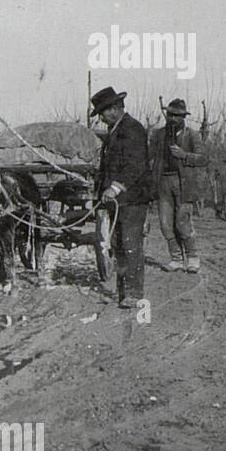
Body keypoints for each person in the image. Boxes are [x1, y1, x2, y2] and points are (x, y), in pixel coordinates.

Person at [90, 86, 151, 309]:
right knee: (118, 243)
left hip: (132, 198)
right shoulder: (116, 131)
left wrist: (115, 188)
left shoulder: (133, 130)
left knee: (130, 243)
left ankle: (134, 293)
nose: (101, 118)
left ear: (115, 109)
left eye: (103, 113)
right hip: (118, 200)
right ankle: (124, 290)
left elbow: (135, 166)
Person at [148, 98, 209, 273]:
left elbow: (203, 158)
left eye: (177, 115)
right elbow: (149, 156)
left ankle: (192, 257)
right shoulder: (159, 135)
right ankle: (175, 258)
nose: (173, 118)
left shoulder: (191, 134)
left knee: (183, 222)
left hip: (183, 184)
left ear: (183, 117)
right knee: (165, 223)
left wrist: (184, 155)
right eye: (170, 114)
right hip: (163, 182)